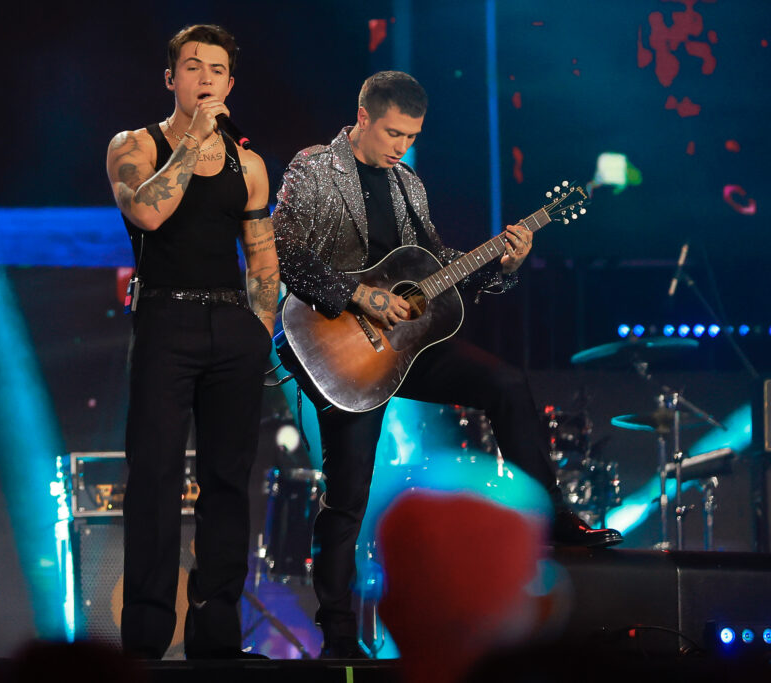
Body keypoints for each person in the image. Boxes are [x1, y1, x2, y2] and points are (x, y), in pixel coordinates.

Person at [272, 70, 622, 658]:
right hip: (340, 348)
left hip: (409, 346)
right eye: (393, 133)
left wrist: (503, 265)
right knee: (349, 493)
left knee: (506, 382)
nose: (402, 147)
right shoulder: (314, 168)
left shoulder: (408, 183)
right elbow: (284, 252)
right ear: (363, 117)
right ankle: (337, 632)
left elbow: (438, 269)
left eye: (412, 136)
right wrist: (360, 296)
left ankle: (552, 518)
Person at [105, 24, 279, 659]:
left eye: (217, 70)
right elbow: (148, 211)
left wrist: (261, 332)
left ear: (231, 83)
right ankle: (147, 637)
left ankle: (217, 634)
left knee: (228, 481)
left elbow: (262, 257)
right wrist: (193, 141)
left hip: (233, 326)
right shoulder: (135, 145)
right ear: (170, 77)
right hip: (165, 321)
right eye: (192, 67)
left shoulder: (248, 164)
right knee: (154, 477)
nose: (205, 78)